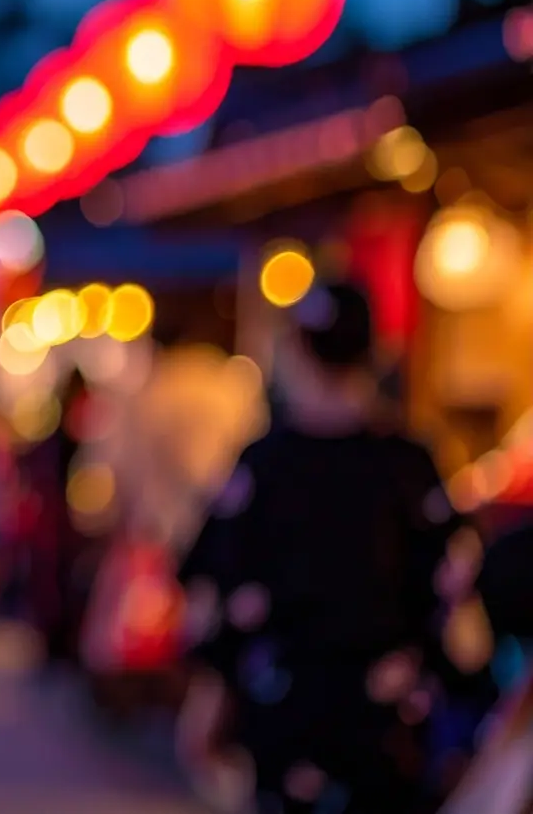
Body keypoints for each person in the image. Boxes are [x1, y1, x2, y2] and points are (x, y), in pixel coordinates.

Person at [180, 282, 455, 814]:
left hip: (286, 703)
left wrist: (209, 697)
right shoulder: (407, 464)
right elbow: (446, 588)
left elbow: (215, 582)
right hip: (385, 709)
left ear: (298, 350)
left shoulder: (264, 465)